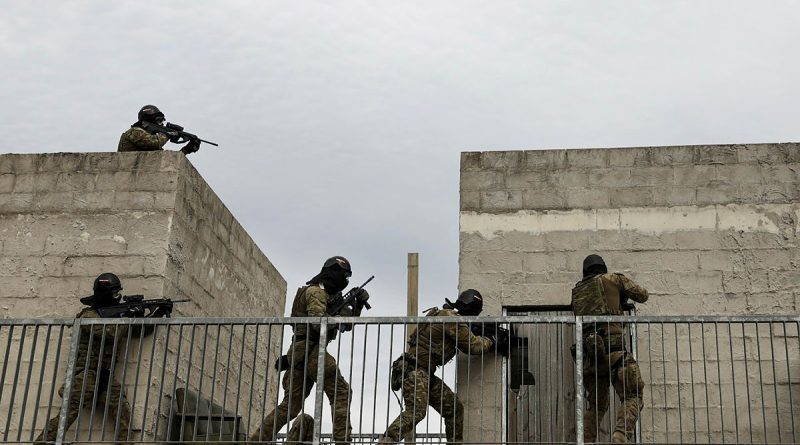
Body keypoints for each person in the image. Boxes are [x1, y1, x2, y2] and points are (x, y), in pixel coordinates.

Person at [35, 273, 172, 445]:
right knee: (70, 410)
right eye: (114, 294)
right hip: (86, 372)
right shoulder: (88, 315)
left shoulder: (115, 317)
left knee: (122, 409)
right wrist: (127, 317)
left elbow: (138, 332)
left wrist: (155, 313)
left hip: (105, 374)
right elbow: (109, 333)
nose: (117, 298)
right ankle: (43, 441)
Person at [249, 256, 368, 445]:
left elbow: (346, 325)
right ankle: (342, 441)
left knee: (290, 407)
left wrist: (356, 305)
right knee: (341, 392)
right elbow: (317, 324)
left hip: (299, 352)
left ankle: (255, 441)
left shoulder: (321, 294)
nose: (345, 281)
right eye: (343, 275)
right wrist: (337, 314)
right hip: (311, 351)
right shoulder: (316, 292)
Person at [376, 289, 495, 444]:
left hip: (424, 373)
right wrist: (491, 340)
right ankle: (387, 441)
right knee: (416, 412)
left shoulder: (447, 316)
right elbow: (473, 346)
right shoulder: (452, 319)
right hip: (415, 370)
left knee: (454, 409)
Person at [571, 254, 649, 443]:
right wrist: (620, 294)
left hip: (591, 357)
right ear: (603, 268)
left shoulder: (576, 291)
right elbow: (642, 295)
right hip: (614, 351)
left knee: (597, 405)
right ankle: (620, 435)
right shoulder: (614, 279)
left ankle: (587, 441)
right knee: (633, 394)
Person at [117, 105, 199, 154]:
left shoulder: (151, 139)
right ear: (149, 120)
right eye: (159, 120)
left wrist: (186, 150)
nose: (162, 124)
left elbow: (164, 161)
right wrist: (168, 133)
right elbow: (154, 143)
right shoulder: (134, 131)